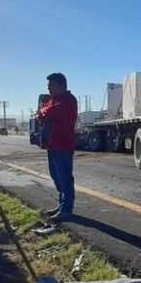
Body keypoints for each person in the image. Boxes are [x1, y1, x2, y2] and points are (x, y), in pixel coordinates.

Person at [36, 72, 78, 223]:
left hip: (63, 145)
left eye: (51, 85)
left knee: (64, 177)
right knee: (56, 177)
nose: (48, 88)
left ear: (60, 85)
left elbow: (47, 113)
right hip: (52, 145)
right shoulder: (53, 100)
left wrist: (42, 112)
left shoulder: (67, 100)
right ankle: (62, 204)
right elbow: (42, 113)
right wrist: (42, 112)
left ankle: (67, 209)